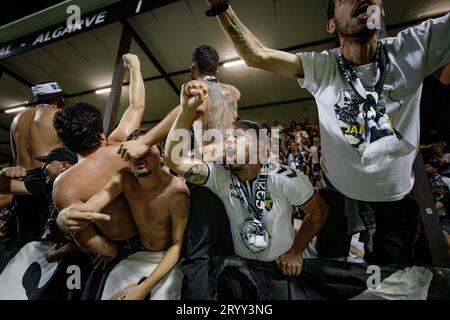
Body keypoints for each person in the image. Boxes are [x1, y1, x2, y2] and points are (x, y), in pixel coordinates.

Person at [203, 0, 450, 264]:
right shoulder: (323, 67)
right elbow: (256, 55)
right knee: (333, 266)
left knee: (390, 276)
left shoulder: (413, 47)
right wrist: (220, 6)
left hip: (394, 196)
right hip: (339, 193)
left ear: (382, 10)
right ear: (331, 24)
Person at [164, 82, 328, 291]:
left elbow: (319, 212)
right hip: (242, 272)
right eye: (226, 138)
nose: (229, 142)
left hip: (279, 271)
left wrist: (296, 251)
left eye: (238, 137)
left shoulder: (284, 178)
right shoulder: (220, 177)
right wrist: (186, 110)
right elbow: (173, 159)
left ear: (260, 145)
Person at [117, 45, 241, 299]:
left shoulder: (197, 90)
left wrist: (146, 140)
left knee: (196, 257)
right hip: (231, 176)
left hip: (205, 178)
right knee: (227, 247)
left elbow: (193, 106)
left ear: (192, 69)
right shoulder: (233, 92)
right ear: (218, 68)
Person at [52, 53, 146, 298]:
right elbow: (137, 105)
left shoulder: (65, 186)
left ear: (69, 145)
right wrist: (134, 67)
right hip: (152, 238)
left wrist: (110, 251)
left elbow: (91, 241)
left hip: (119, 250)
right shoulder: (123, 146)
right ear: (101, 132)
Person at [76, 128, 189, 300]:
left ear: (162, 155)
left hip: (168, 257)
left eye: (147, 149)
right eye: (134, 151)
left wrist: (143, 288)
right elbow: (93, 204)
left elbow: (177, 246)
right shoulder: (124, 178)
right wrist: (69, 215)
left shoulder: (177, 193)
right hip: (138, 250)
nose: (139, 156)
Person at [0, 147, 84, 299]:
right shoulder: (46, 185)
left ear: (64, 166)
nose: (43, 167)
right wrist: (3, 174)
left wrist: (64, 251)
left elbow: (97, 230)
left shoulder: (85, 188)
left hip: (74, 257)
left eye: (48, 163)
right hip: (47, 252)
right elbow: (5, 187)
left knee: (73, 292)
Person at [9, 80, 66, 243]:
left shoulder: (17, 119)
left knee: (27, 240)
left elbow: (15, 157)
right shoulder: (59, 115)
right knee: (52, 239)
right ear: (58, 97)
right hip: (46, 181)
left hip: (23, 182)